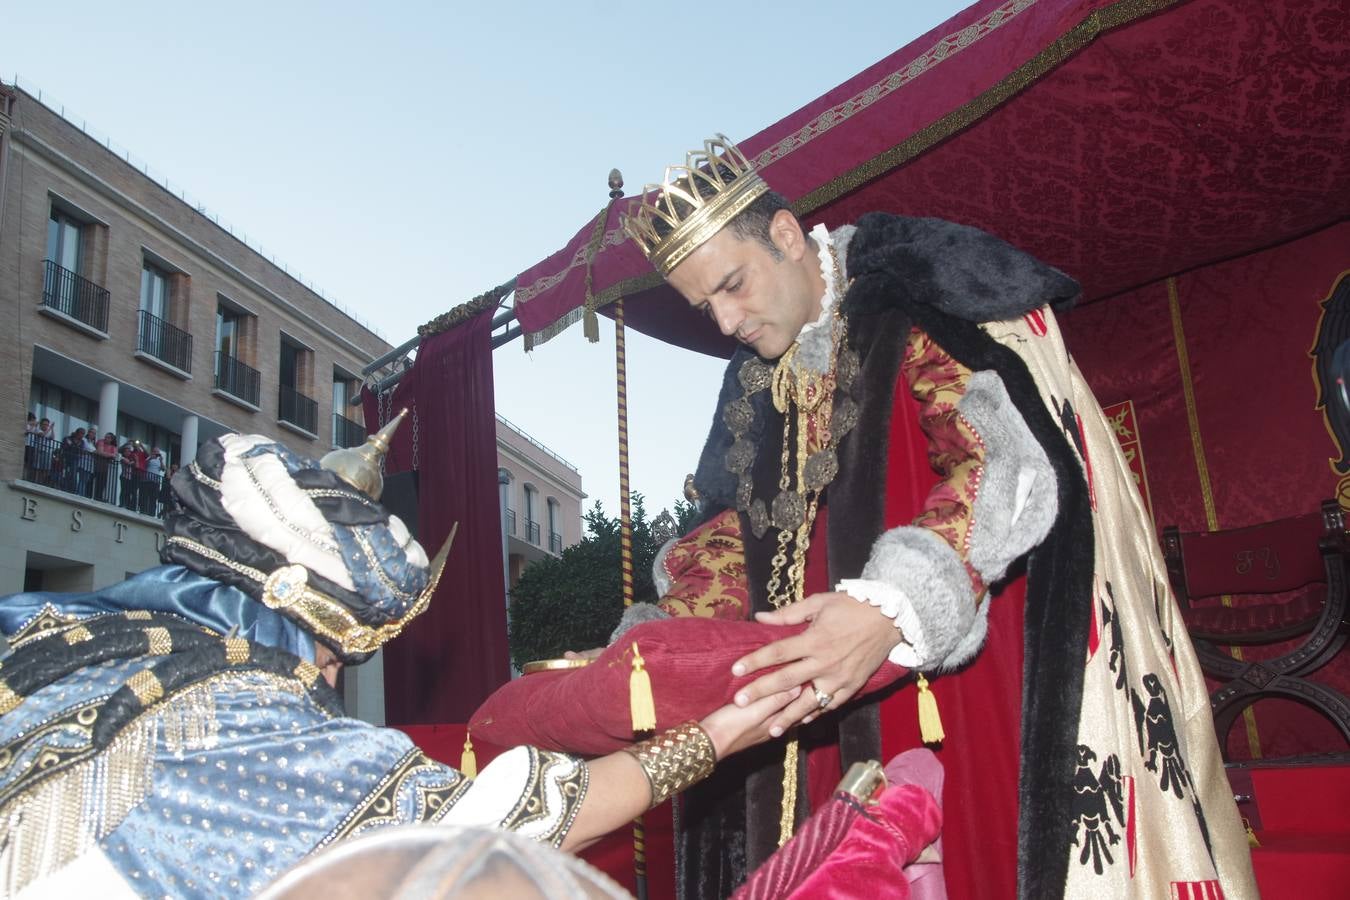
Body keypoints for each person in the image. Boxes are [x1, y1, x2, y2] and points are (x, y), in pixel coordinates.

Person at [617, 135, 1256, 898]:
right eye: (704, 305)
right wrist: (656, 646)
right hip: (812, 717)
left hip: (959, 686)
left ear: (786, 236)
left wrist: (892, 609)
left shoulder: (917, 287)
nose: (724, 322)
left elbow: (1001, 457)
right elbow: (735, 538)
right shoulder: (753, 386)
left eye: (732, 285)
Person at [0, 416, 797, 898]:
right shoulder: (240, 717)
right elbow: (496, 827)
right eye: (340, 653)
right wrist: (721, 734)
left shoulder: (51, 644)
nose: (333, 679)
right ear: (289, 606)